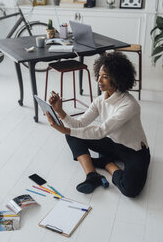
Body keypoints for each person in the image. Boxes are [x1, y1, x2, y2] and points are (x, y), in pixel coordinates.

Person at [46, 51, 150, 198]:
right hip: (114, 144)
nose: (99, 80)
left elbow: (101, 131)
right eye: (99, 75)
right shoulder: (101, 100)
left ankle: (108, 164)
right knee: (72, 135)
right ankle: (92, 175)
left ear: (118, 78)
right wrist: (60, 111)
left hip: (135, 152)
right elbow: (80, 123)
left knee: (130, 190)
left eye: (105, 77)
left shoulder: (129, 105)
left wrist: (65, 129)